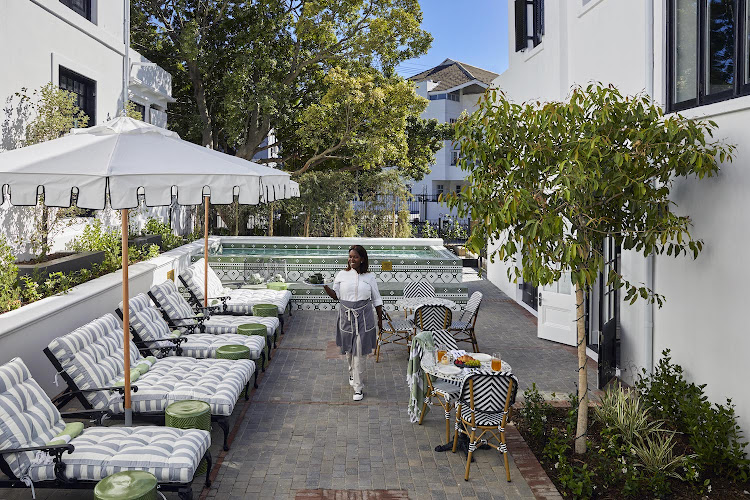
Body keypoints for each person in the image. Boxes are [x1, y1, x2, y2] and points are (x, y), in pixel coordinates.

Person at [323, 245, 383, 401]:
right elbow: (335, 296)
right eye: (350, 256)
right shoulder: (342, 274)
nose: (352, 259)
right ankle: (351, 373)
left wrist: (381, 321)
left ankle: (358, 387)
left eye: (355, 257)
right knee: (349, 350)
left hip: (364, 317)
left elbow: (377, 300)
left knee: (359, 351)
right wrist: (323, 286)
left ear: (362, 259)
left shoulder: (369, 277)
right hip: (346, 316)